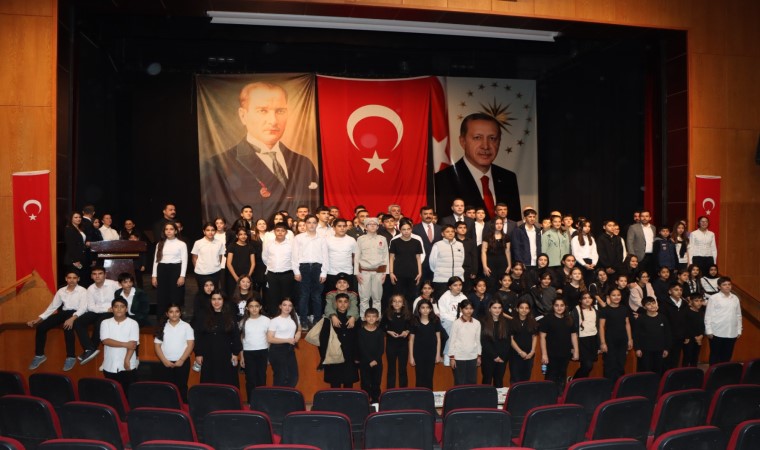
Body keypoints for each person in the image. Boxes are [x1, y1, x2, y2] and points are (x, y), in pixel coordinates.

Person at [202, 81, 319, 221]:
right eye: (262, 111)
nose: (273, 121)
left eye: (280, 111)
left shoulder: (304, 164)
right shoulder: (218, 166)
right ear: (243, 115)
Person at [434, 113, 521, 221]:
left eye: (492, 138)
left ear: (499, 142)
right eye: (477, 138)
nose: (485, 146)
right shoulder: (443, 180)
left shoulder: (508, 178)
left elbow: (514, 223)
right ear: (463, 141)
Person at [27, 270, 88, 372]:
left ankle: (71, 357)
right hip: (64, 312)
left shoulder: (83, 291)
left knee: (68, 328)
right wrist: (38, 319)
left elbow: (83, 308)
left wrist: (72, 319)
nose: (72, 280)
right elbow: (53, 307)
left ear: (78, 279)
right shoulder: (61, 291)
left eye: (74, 278)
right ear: (66, 279)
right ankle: (39, 355)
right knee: (41, 327)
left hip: (77, 314)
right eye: (69, 278)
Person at [194, 290, 241, 387]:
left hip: (226, 355)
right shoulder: (203, 315)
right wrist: (198, 353)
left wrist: (235, 353)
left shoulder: (230, 315)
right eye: (214, 299)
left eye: (219, 299)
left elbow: (235, 335)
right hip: (208, 355)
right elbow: (198, 336)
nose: (216, 302)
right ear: (210, 301)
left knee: (227, 383)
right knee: (209, 383)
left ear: (224, 301)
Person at [75, 266, 120, 365]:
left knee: (100, 322)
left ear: (105, 275)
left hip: (112, 312)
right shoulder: (90, 289)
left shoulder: (113, 284)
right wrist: (104, 309)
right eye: (94, 274)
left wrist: (117, 307)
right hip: (98, 310)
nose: (97, 276)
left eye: (100, 273)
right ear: (91, 276)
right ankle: (89, 349)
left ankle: (91, 349)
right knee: (78, 322)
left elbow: (125, 293)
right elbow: (91, 307)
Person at [154, 303, 194, 402]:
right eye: (171, 312)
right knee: (166, 388)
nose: (174, 314)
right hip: (165, 362)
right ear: (167, 314)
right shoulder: (162, 326)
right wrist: (164, 361)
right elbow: (157, 346)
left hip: (182, 362)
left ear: (180, 313)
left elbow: (190, 345)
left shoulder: (186, 326)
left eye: (177, 311)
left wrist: (182, 360)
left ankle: (182, 408)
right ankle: (167, 407)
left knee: (182, 387)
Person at [100, 297, 140, 394]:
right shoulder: (105, 323)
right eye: (116, 306)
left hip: (128, 365)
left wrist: (126, 360)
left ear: (126, 309)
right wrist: (125, 344)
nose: (119, 309)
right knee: (112, 395)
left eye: (122, 307)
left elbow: (132, 344)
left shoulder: (133, 323)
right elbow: (105, 341)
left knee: (128, 394)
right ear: (112, 309)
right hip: (109, 365)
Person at [318, 293, 359, 388]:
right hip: (334, 357)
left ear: (349, 304)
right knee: (335, 385)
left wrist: (357, 356)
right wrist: (324, 356)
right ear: (336, 303)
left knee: (349, 385)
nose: (343, 304)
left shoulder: (354, 319)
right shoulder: (328, 320)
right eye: (340, 301)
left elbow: (358, 339)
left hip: (349, 357)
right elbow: (322, 340)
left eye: (345, 302)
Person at [540, 297, 579, 389]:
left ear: (565, 307)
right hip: (551, 354)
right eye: (556, 305)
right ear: (553, 306)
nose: (559, 308)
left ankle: (560, 396)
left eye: (562, 305)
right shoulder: (547, 319)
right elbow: (542, 337)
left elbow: (573, 335)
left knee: (562, 375)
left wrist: (576, 351)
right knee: (551, 377)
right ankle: (549, 396)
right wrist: (544, 354)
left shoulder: (569, 319)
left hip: (565, 353)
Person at [152, 222, 188, 319]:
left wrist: (182, 276)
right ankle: (161, 320)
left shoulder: (181, 244)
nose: (168, 231)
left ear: (176, 231)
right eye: (166, 229)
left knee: (175, 296)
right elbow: (156, 260)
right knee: (162, 296)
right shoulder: (160, 244)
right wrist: (154, 276)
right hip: (162, 270)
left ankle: (175, 318)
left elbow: (184, 261)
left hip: (175, 270)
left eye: (171, 229)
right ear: (164, 231)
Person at [355, 217, 389, 317]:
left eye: (375, 224)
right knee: (364, 298)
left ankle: (376, 319)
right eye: (370, 224)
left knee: (377, 298)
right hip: (364, 272)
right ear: (366, 227)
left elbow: (385, 256)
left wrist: (385, 273)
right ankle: (364, 319)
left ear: (378, 227)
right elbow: (357, 257)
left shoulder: (382, 239)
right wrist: (357, 273)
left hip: (378, 272)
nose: (373, 226)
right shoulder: (360, 239)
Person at [705, 276, 742, 364]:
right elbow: (708, 315)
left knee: (727, 356)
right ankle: (713, 372)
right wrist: (708, 330)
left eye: (729, 284)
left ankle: (724, 372)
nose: (727, 286)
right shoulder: (713, 298)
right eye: (724, 284)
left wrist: (739, 330)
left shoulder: (735, 298)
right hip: (716, 332)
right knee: (715, 356)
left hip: (732, 332)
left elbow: (738, 315)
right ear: (719, 287)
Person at [599, 288, 633, 382]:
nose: (616, 297)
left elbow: (627, 324)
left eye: (618, 295)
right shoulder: (605, 310)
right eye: (613, 295)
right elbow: (601, 326)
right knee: (610, 364)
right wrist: (603, 343)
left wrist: (630, 339)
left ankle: (619, 385)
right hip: (610, 341)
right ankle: (608, 385)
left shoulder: (624, 309)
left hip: (622, 340)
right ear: (609, 297)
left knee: (621, 363)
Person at [240, 297, 270, 401]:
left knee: (262, 378)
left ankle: (261, 402)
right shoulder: (243, 322)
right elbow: (242, 339)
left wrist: (268, 355)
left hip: (263, 351)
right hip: (248, 353)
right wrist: (242, 356)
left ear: (260, 307)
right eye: (251, 306)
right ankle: (251, 402)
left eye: (256, 306)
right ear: (247, 308)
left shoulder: (266, 320)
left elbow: (269, 339)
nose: (254, 309)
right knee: (250, 379)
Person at [262, 222, 295, 316]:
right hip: (272, 274)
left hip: (287, 274)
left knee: (286, 297)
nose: (280, 232)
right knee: (273, 297)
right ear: (274, 232)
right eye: (278, 230)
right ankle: (274, 316)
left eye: (282, 231)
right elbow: (265, 257)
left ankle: (286, 316)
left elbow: (295, 258)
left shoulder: (291, 244)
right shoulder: (269, 244)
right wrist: (272, 267)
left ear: (286, 232)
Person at [389, 218, 424, 308]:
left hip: (413, 274)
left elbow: (418, 258)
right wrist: (391, 273)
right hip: (398, 274)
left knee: (412, 296)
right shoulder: (394, 242)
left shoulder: (416, 242)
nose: (406, 231)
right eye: (404, 229)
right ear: (400, 230)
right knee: (398, 297)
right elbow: (391, 258)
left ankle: (410, 315)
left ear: (411, 229)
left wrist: (420, 273)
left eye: (408, 229)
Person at [267, 297, 301, 387]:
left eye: (290, 305)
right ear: (280, 306)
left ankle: (287, 396)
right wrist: (287, 340)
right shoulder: (274, 321)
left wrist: (298, 333)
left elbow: (299, 327)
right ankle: (277, 396)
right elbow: (270, 339)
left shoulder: (294, 317)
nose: (287, 307)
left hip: (290, 350)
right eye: (284, 305)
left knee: (293, 377)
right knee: (281, 377)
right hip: (277, 350)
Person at [409, 300, 442, 389]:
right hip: (418, 353)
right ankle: (419, 396)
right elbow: (411, 340)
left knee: (429, 377)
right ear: (419, 309)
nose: (425, 310)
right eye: (423, 308)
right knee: (419, 376)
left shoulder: (435, 320)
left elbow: (438, 339)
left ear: (431, 309)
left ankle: (429, 395)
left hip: (431, 353)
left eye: (427, 308)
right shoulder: (414, 321)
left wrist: (438, 354)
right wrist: (411, 356)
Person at [449, 299, 482, 385]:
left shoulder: (477, 323)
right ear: (461, 309)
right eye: (466, 308)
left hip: (472, 357)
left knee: (472, 382)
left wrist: (479, 356)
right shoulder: (456, 323)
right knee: (459, 382)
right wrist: (452, 358)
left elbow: (478, 341)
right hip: (459, 357)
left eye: (471, 308)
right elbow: (452, 341)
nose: (469, 311)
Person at [634, 297, 670, 375]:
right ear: (644, 307)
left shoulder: (663, 317)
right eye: (649, 304)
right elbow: (636, 335)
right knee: (646, 371)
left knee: (658, 371)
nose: (652, 305)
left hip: (660, 349)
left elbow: (667, 334)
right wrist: (637, 348)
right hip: (645, 350)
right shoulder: (641, 319)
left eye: (653, 303)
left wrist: (666, 348)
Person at [382, 294, 411, 389]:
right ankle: (390, 391)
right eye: (394, 301)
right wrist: (388, 331)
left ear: (403, 304)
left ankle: (403, 391)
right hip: (391, 344)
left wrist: (407, 331)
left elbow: (412, 326)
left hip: (403, 345)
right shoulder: (387, 314)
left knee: (402, 369)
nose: (397, 303)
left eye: (399, 301)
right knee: (391, 369)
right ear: (391, 303)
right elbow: (381, 327)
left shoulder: (407, 314)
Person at [437, 276, 467, 366]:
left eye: (460, 285)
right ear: (450, 287)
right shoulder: (444, 297)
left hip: (461, 320)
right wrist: (454, 320)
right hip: (447, 320)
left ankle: (453, 355)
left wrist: (459, 320)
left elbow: (466, 311)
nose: (458, 287)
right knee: (453, 333)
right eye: (455, 285)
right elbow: (443, 314)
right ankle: (448, 355)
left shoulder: (463, 297)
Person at [429, 224, 465, 297]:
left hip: (457, 280)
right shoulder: (437, 245)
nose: (450, 233)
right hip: (442, 280)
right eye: (447, 231)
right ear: (442, 234)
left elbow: (461, 260)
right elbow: (432, 262)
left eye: (452, 231)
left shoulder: (460, 245)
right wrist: (440, 272)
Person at [480, 300, 510, 387]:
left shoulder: (506, 322)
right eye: (494, 308)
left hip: (502, 358)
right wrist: (495, 356)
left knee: (499, 381)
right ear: (489, 309)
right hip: (488, 357)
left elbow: (507, 342)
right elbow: (484, 342)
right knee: (486, 381)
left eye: (499, 308)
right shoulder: (483, 322)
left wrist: (501, 356)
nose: (497, 310)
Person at [357, 308, 385, 403]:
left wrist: (375, 360)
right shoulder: (361, 332)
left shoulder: (380, 332)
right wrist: (370, 360)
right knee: (365, 383)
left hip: (377, 362)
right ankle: (365, 401)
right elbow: (361, 348)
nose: (371, 318)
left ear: (377, 318)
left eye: (373, 316)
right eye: (369, 316)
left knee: (376, 383)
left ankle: (375, 401)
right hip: (365, 362)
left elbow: (381, 348)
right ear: (365, 318)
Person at [570, 292, 598, 380]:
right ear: (580, 300)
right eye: (584, 298)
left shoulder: (595, 309)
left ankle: (580, 383)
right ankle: (573, 381)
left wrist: (599, 344)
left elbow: (597, 327)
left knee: (589, 366)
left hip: (593, 340)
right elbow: (572, 330)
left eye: (589, 297)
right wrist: (573, 347)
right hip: (581, 341)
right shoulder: (576, 310)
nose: (587, 300)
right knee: (588, 365)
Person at [325, 218, 358, 293]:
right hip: (331, 272)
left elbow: (355, 256)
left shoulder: (351, 240)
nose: (342, 228)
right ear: (334, 228)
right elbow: (324, 256)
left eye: (344, 226)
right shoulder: (327, 240)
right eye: (339, 226)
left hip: (348, 272)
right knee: (331, 296)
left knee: (348, 296)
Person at [191, 222, 226, 291]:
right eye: (208, 230)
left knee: (214, 292)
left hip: (215, 272)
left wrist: (216, 266)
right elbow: (194, 257)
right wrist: (198, 268)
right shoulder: (198, 243)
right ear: (204, 231)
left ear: (215, 231)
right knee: (202, 292)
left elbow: (220, 257)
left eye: (212, 230)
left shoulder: (219, 243)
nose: (210, 232)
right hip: (201, 273)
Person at [481, 217, 512, 293]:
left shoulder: (506, 237)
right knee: (491, 284)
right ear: (493, 225)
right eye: (497, 223)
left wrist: (509, 265)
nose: (499, 225)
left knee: (502, 284)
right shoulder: (487, 237)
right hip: (490, 263)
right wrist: (484, 266)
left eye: (501, 223)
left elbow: (507, 251)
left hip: (503, 263)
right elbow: (483, 252)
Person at [412, 206, 442, 283]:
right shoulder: (414, 229)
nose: (428, 216)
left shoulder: (440, 229)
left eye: (430, 214)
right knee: (421, 286)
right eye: (425, 214)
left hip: (437, 265)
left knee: (436, 286)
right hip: (421, 265)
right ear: (420, 215)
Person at [662, 282, 688, 370]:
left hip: (680, 336)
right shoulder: (664, 304)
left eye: (681, 290)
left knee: (676, 358)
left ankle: (673, 375)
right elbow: (663, 322)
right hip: (668, 336)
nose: (679, 292)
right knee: (666, 359)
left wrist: (686, 335)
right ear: (670, 291)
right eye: (676, 290)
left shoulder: (685, 304)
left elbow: (687, 321)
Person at [226, 227, 256, 299]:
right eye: (241, 234)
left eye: (245, 234)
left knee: (247, 296)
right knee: (233, 296)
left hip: (246, 275)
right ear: (237, 236)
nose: (243, 236)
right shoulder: (232, 246)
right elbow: (229, 263)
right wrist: (236, 278)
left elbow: (253, 263)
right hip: (233, 276)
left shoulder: (250, 247)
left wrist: (248, 277)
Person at [626, 210, 656, 276]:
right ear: (640, 217)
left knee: (650, 275)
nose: (644, 218)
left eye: (646, 216)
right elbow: (629, 242)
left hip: (651, 256)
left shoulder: (653, 228)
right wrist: (632, 256)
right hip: (639, 256)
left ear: (650, 218)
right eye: (642, 216)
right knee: (638, 275)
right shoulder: (633, 227)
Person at [571, 219, 598, 285]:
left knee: (590, 283)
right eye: (585, 226)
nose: (587, 228)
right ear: (580, 227)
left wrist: (594, 263)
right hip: (580, 263)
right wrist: (584, 264)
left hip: (590, 264)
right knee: (581, 283)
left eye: (589, 226)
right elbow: (575, 254)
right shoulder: (575, 238)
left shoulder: (591, 238)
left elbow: (595, 252)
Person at [682, 293, 706, 367]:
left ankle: (694, 372)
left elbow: (702, 325)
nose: (699, 303)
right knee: (687, 357)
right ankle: (684, 372)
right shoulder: (686, 311)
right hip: (689, 338)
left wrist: (701, 335)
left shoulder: (701, 312)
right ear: (691, 301)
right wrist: (695, 337)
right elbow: (685, 326)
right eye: (696, 301)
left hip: (699, 339)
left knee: (695, 357)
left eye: (701, 301)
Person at [63, 212, 88, 277]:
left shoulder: (80, 228)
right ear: (71, 219)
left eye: (79, 217)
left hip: (81, 257)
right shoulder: (69, 229)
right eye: (76, 217)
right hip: (73, 259)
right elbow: (70, 246)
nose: (78, 219)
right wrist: (75, 260)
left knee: (81, 277)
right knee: (74, 277)